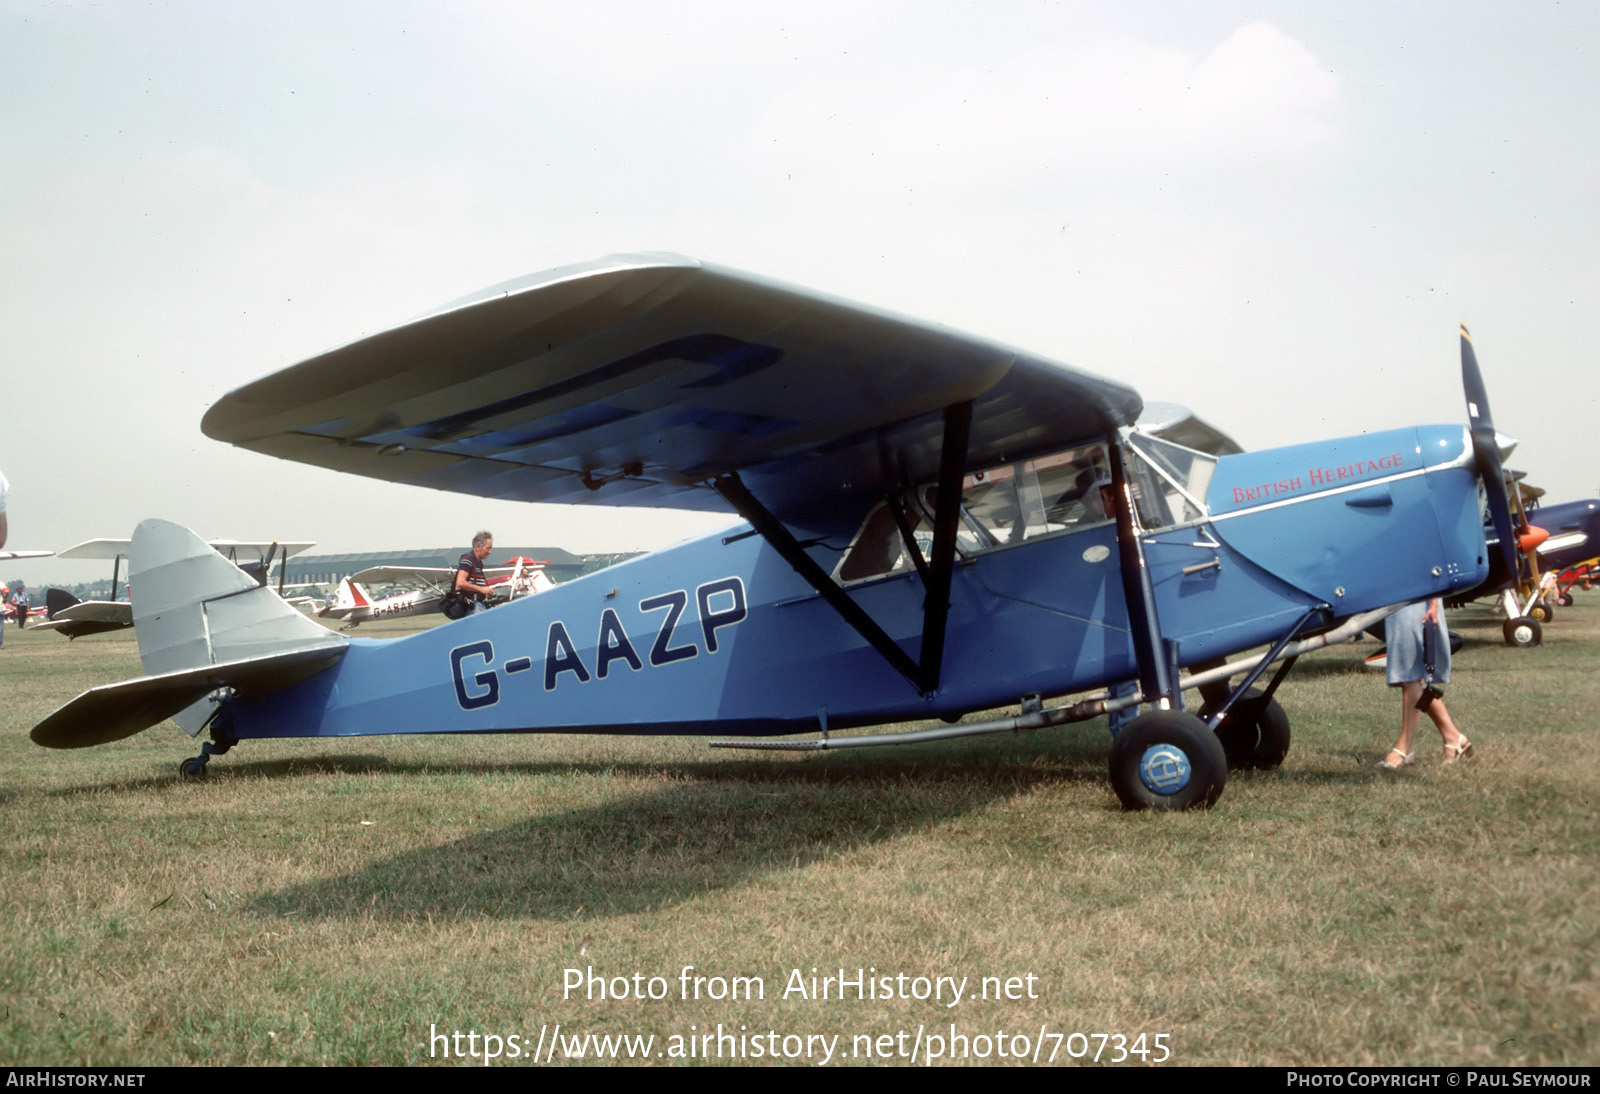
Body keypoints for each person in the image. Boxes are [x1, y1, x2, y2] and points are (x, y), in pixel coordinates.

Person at [1377, 598, 1473, 768]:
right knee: (1408, 676)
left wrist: (1434, 604)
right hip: (1396, 598)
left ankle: (1403, 750)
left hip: (1418, 599)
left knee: (1410, 677)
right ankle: (1454, 738)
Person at [453, 530, 497, 615]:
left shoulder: (478, 562)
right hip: (472, 606)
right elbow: (460, 582)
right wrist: (482, 589)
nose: (489, 552)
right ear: (477, 547)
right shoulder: (468, 559)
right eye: (488, 548)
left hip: (478, 603)